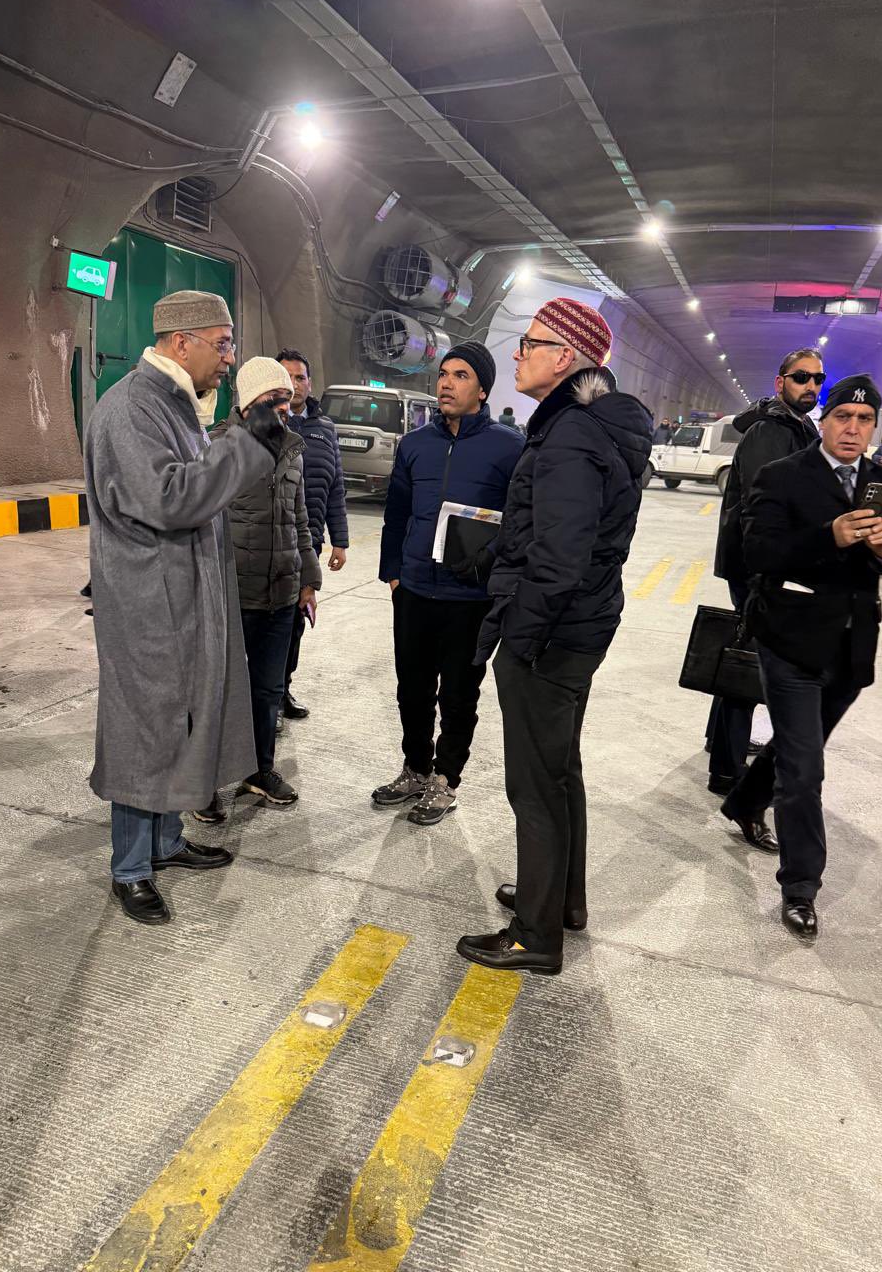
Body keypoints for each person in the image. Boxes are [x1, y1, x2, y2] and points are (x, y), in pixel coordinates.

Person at [456, 299, 652, 975]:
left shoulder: (570, 435)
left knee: (535, 784)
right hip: (583, 625)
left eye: (530, 343)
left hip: (553, 634)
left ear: (565, 357)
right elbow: (556, 534)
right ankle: (562, 899)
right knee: (560, 770)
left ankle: (534, 935)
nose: (518, 355)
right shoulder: (595, 429)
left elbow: (560, 558)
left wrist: (522, 637)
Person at [84, 290, 282, 925]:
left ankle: (165, 842)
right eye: (221, 344)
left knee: (181, 720)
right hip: (148, 604)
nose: (229, 358)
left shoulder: (174, 402)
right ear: (180, 342)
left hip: (182, 596)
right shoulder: (130, 409)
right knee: (145, 729)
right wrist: (245, 444)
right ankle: (129, 868)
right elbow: (170, 499)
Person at [719, 375, 882, 940]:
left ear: (875, 428)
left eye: (864, 420)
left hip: (852, 647)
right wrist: (830, 536)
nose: (853, 428)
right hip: (791, 642)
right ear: (824, 420)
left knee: (797, 749)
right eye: (843, 416)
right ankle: (801, 886)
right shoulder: (783, 475)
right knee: (805, 769)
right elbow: (758, 551)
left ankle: (744, 802)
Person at [375, 342, 524, 825]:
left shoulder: (509, 448)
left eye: (461, 375)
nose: (446, 383)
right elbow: (396, 514)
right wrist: (393, 573)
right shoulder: (416, 444)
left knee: (459, 696)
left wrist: (494, 570)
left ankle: (445, 779)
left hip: (471, 597)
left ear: (482, 390)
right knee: (411, 690)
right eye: (443, 373)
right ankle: (416, 769)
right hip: (415, 590)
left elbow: (521, 521)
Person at [197, 358, 322, 821]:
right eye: (274, 399)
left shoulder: (292, 449)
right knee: (217, 692)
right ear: (249, 403)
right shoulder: (218, 447)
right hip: (232, 595)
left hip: (281, 593)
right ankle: (203, 783)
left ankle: (257, 769)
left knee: (268, 690)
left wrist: (309, 579)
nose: (284, 408)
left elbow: (299, 520)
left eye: (287, 399)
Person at [708, 347, 824, 827]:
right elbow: (767, 501)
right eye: (801, 377)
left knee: (744, 651)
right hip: (756, 561)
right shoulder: (770, 430)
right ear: (781, 383)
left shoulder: (798, 427)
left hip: (768, 560)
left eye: (817, 379)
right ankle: (727, 769)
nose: (810, 386)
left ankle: (721, 744)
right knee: (749, 661)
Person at [276, 348, 349, 722]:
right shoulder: (267, 424)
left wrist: (340, 540)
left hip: (309, 543)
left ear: (309, 382)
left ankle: (281, 689)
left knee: (295, 622)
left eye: (300, 377)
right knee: (271, 623)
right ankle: (264, 694)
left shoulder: (325, 429)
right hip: (271, 542)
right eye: (286, 377)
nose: (294, 384)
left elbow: (335, 485)